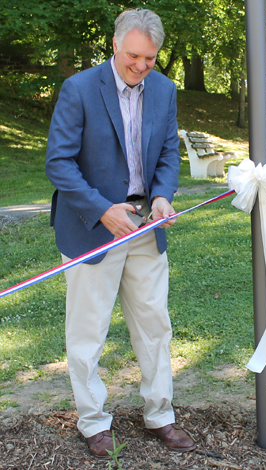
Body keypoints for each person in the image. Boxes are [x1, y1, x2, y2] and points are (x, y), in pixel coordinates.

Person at [45, 9, 197, 459]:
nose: (141, 66)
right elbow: (59, 163)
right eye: (134, 55)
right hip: (93, 229)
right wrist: (101, 210)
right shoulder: (78, 88)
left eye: (150, 58)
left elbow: (168, 152)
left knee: (155, 325)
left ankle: (160, 416)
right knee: (87, 333)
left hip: (146, 227)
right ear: (114, 45)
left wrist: (164, 195)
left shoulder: (165, 90)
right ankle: (93, 422)